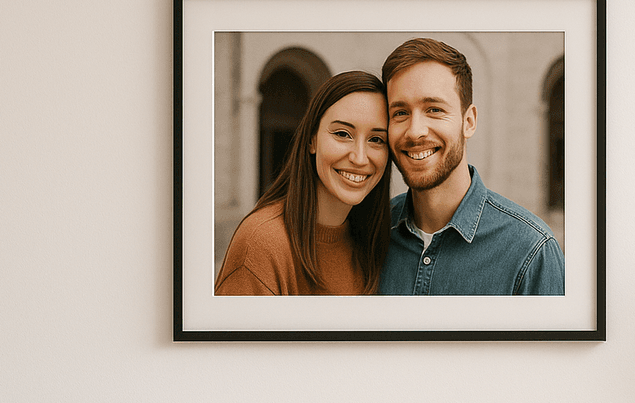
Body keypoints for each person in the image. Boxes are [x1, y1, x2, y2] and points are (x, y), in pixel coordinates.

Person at [378, 38, 565, 295]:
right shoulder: (373, 235)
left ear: (469, 121)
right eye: (400, 113)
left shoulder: (531, 253)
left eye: (433, 109)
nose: (415, 131)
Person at [215, 71, 392, 295]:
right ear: (312, 140)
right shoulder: (262, 243)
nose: (359, 157)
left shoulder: (376, 245)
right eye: (342, 133)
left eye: (376, 139)